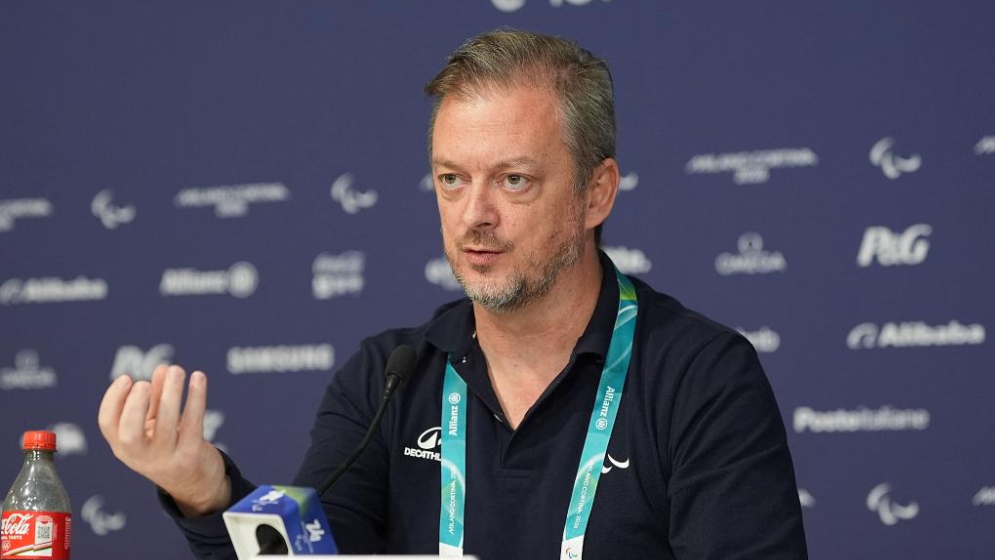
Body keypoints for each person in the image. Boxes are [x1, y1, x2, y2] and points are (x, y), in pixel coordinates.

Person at [98, 29, 808, 559]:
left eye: (514, 180)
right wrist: (207, 493)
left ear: (596, 193)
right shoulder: (386, 379)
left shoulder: (699, 378)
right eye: (451, 179)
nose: (473, 216)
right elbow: (314, 555)